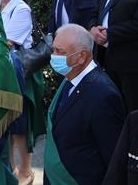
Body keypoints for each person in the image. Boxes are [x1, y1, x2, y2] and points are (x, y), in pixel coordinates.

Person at [44, 23, 125, 185]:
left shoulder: (103, 95)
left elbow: (113, 158)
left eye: (60, 52)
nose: (54, 56)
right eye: (53, 50)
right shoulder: (70, 79)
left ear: (82, 56)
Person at [0, 0, 44, 185]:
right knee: (6, 125)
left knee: (21, 128)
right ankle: (10, 170)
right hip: (0, 72)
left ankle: (25, 173)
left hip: (20, 75)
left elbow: (7, 42)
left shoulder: (21, 9)